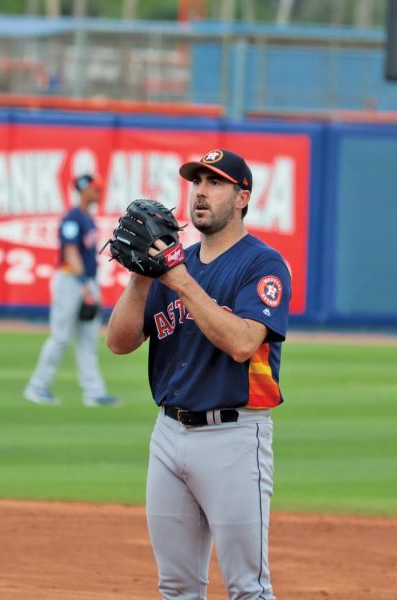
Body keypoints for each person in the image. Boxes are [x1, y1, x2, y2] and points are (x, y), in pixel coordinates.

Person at [106, 148, 291, 599]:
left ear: (242, 197)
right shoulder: (170, 267)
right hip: (168, 434)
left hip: (234, 437)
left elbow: (244, 342)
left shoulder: (262, 264)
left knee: (248, 587)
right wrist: (141, 276)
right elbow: (119, 342)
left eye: (215, 183)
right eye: (196, 183)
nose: (201, 193)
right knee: (176, 585)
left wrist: (177, 276)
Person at [24, 174, 120, 408]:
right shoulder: (72, 218)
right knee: (61, 337)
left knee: (88, 339)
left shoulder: (88, 218)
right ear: (82, 190)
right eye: (93, 189)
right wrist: (86, 286)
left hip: (86, 281)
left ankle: (94, 392)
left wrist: (89, 285)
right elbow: (70, 253)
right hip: (71, 281)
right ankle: (37, 387)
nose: (98, 193)